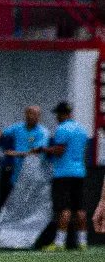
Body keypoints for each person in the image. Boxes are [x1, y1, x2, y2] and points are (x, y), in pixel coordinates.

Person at [37, 102, 89, 250]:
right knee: (79, 208)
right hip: (79, 172)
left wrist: (44, 150)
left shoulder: (62, 129)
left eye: (57, 115)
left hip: (63, 173)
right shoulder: (82, 130)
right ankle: (82, 242)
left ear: (61, 114)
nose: (57, 118)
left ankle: (59, 242)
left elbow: (59, 151)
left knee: (64, 208)